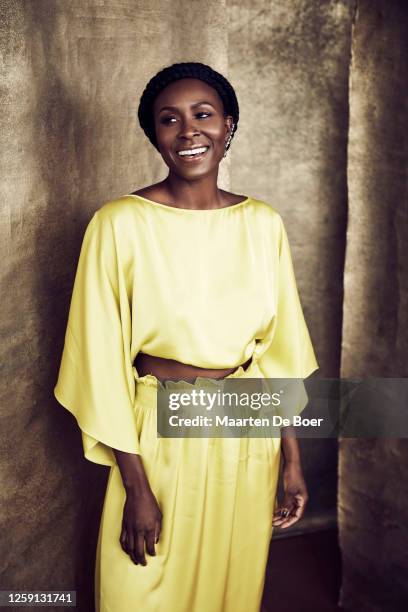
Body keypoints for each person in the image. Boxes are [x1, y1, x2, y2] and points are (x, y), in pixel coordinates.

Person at [54, 62, 319, 612]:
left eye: (203, 114)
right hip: (160, 437)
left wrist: (291, 461)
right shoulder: (118, 223)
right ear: (156, 135)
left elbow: (279, 353)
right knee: (141, 591)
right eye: (169, 119)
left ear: (229, 125)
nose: (188, 130)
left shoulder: (263, 224)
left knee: (231, 590)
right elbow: (100, 364)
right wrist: (136, 487)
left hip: (247, 431)